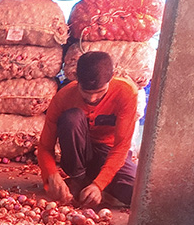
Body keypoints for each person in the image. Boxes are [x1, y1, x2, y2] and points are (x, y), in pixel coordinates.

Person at [37, 51, 139, 208]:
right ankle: (79, 179)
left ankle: (91, 184)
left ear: (111, 79)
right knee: (72, 118)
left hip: (109, 152)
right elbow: (45, 146)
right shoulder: (63, 97)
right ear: (77, 79)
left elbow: (121, 147)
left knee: (135, 192)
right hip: (79, 155)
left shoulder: (125, 93)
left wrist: (99, 184)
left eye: (99, 93)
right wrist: (51, 174)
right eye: (86, 92)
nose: (92, 99)